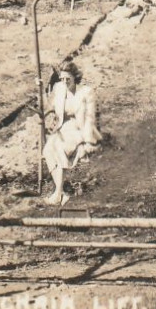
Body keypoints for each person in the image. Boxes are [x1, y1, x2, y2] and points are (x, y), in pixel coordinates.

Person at [42, 61, 101, 206]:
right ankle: (61, 192)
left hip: (78, 129)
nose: (65, 82)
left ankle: (57, 194)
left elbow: (90, 119)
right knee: (48, 150)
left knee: (59, 149)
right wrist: (41, 90)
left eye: (68, 79)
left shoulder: (86, 92)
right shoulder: (60, 89)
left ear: (75, 77)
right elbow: (50, 107)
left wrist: (86, 142)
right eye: (62, 79)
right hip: (63, 128)